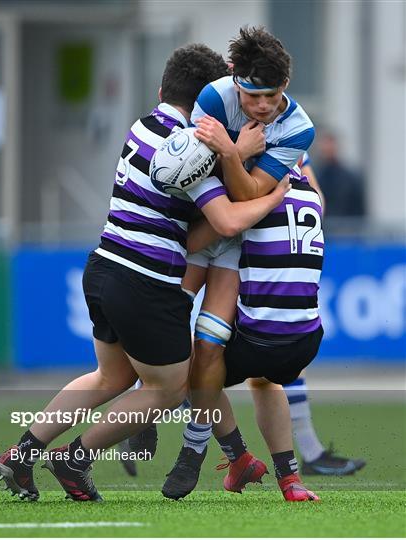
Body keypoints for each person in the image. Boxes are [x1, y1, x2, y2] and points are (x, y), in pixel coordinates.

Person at [0, 43, 289, 502]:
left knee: (109, 378)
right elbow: (224, 222)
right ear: (213, 98)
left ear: (161, 89)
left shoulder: (142, 126)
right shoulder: (195, 148)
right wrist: (259, 182)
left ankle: (22, 453)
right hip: (145, 279)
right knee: (169, 389)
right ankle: (75, 460)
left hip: (104, 265)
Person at [159, 26, 319, 502]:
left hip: (234, 239)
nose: (263, 107)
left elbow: (251, 194)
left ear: (285, 88)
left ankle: (194, 450)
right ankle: (150, 426)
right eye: (252, 96)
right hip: (199, 219)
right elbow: (193, 170)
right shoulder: (213, 97)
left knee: (207, 349)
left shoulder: (299, 128)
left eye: (273, 96)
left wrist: (229, 151)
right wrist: (237, 160)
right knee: (160, 335)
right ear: (235, 82)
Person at [280, 153, 366, 476]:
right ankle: (149, 410)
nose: (266, 105)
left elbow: (317, 201)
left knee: (281, 360)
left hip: (274, 253)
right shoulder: (230, 127)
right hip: (237, 252)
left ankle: (310, 453)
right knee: (211, 352)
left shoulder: (292, 133)